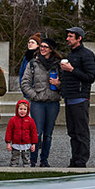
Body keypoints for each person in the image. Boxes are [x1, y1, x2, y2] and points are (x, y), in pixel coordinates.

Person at [21, 36, 62, 167]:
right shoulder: (33, 63)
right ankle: (32, 160)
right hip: (37, 103)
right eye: (41, 46)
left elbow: (66, 83)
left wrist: (59, 84)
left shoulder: (59, 64)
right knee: (36, 133)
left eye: (45, 47)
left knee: (48, 134)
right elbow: (25, 82)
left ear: (51, 49)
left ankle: (44, 160)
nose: (42, 49)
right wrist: (34, 95)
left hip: (53, 102)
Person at [60, 26, 95, 168]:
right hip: (69, 98)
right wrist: (60, 82)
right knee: (72, 132)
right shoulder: (71, 55)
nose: (67, 39)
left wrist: (72, 69)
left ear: (79, 38)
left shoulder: (87, 55)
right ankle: (74, 160)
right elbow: (70, 78)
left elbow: (90, 77)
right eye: (67, 36)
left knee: (81, 132)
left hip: (80, 99)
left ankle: (81, 162)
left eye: (70, 36)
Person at [4, 99, 39, 167]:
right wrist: (8, 143)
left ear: (27, 110)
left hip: (27, 144)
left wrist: (34, 144)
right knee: (14, 159)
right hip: (15, 144)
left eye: (24, 109)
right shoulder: (13, 120)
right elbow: (9, 132)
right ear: (17, 109)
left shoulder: (30, 121)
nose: (22, 111)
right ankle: (13, 169)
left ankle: (27, 170)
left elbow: (33, 133)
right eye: (20, 109)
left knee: (26, 159)